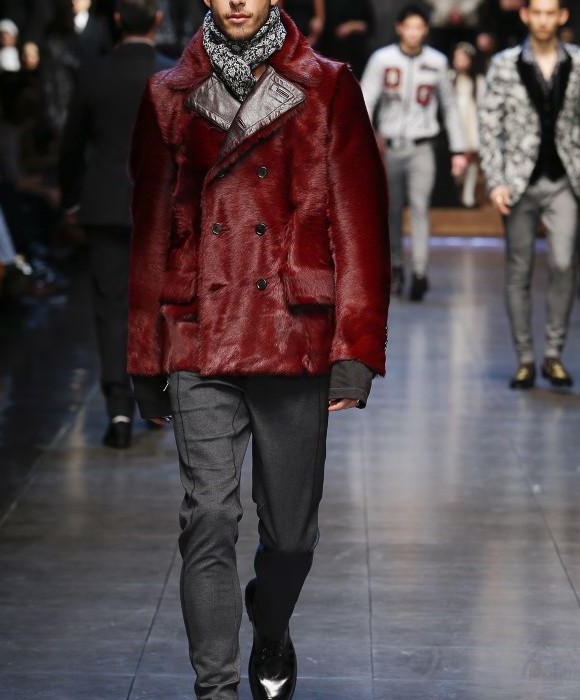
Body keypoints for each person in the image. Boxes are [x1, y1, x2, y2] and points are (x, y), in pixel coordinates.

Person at [127, 0, 390, 696]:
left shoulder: (327, 85)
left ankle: (270, 626)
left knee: (293, 536)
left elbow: (360, 222)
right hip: (198, 332)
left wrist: (356, 349)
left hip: (291, 333)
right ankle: (215, 688)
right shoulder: (168, 94)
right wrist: (143, 355)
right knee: (208, 517)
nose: (237, 0)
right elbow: (150, 230)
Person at [59, 0, 173, 449]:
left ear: (118, 20)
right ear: (157, 21)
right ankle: (154, 399)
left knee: (111, 309)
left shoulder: (93, 73)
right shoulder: (172, 74)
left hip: (105, 206)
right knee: (157, 303)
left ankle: (119, 411)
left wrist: (70, 198)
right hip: (158, 207)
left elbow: (71, 146)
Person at [478, 0, 580, 389]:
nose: (542, 20)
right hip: (518, 181)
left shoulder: (577, 62)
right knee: (519, 270)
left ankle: (553, 354)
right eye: (536, 12)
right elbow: (490, 124)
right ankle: (524, 359)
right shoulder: (505, 64)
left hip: (565, 180)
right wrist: (496, 180)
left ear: (562, 16)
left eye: (550, 12)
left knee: (563, 264)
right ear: (525, 15)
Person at [360, 3, 468, 300]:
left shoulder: (437, 62)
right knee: (392, 211)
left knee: (420, 208)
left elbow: (449, 107)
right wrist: (362, 142)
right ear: (399, 28)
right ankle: (396, 268)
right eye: (408, 27)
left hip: (423, 147)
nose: (413, 33)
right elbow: (365, 100)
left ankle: (420, 271)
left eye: (418, 27)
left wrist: (458, 149)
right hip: (391, 147)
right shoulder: (382, 59)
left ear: (425, 30)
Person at [450, 41, 485, 207]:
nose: (460, 61)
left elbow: (483, 105)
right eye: (457, 57)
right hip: (455, 125)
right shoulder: (449, 78)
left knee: (472, 160)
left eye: (464, 58)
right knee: (457, 162)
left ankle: (468, 196)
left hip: (471, 126)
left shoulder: (478, 81)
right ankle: (454, 194)